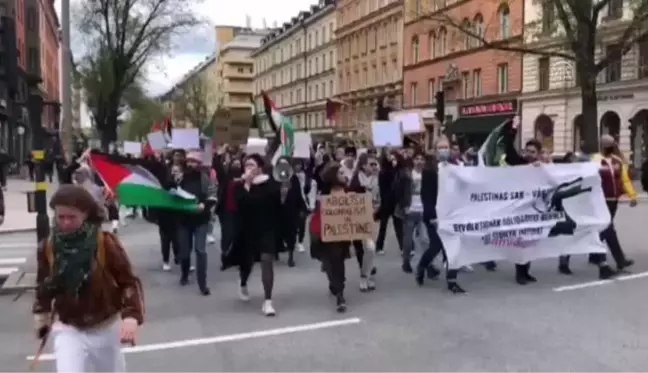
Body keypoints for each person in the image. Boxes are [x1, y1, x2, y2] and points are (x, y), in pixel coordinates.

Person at [32, 184, 144, 373]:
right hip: (69, 327)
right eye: (61, 217)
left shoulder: (104, 242)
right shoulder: (48, 247)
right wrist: (41, 316)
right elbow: (43, 284)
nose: (66, 222)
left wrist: (131, 317)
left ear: (85, 215)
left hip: (105, 327)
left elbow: (128, 281)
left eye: (72, 217)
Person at [225, 153, 280, 316]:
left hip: (266, 228)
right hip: (247, 228)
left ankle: (268, 301)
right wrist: (247, 183)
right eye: (246, 165)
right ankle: (243, 282)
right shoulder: (238, 184)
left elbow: (272, 202)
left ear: (260, 167)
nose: (248, 168)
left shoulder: (270, 183)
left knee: (266, 260)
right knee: (246, 262)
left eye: (252, 165)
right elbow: (242, 204)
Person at [310, 162, 351, 312]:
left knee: (339, 261)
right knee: (332, 261)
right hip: (326, 235)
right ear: (333, 176)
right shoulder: (324, 196)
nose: (344, 175)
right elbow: (317, 216)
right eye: (340, 173)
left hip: (343, 235)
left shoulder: (348, 192)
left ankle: (340, 293)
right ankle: (336, 285)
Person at [175, 151, 213, 296]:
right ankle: (184, 274)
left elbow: (213, 195)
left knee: (200, 251)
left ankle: (203, 284)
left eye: (194, 161)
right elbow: (172, 193)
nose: (192, 164)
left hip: (201, 220)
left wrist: (205, 205)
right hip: (184, 220)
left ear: (199, 164)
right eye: (189, 161)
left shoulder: (206, 178)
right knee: (184, 251)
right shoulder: (180, 178)